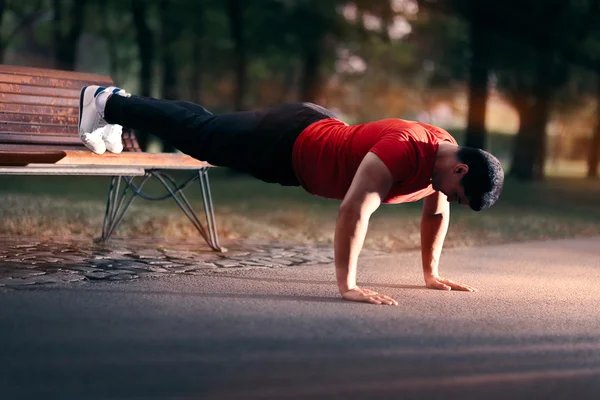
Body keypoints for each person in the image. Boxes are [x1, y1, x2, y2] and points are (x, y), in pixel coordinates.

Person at [78, 85, 504, 306]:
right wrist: (348, 285)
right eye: (460, 195)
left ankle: (119, 109)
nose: (452, 200)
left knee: (206, 127)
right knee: (202, 136)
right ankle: (111, 104)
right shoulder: (405, 148)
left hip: (306, 134)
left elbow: (436, 215)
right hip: (286, 143)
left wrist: (430, 274)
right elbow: (355, 209)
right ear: (460, 169)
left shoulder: (444, 161)